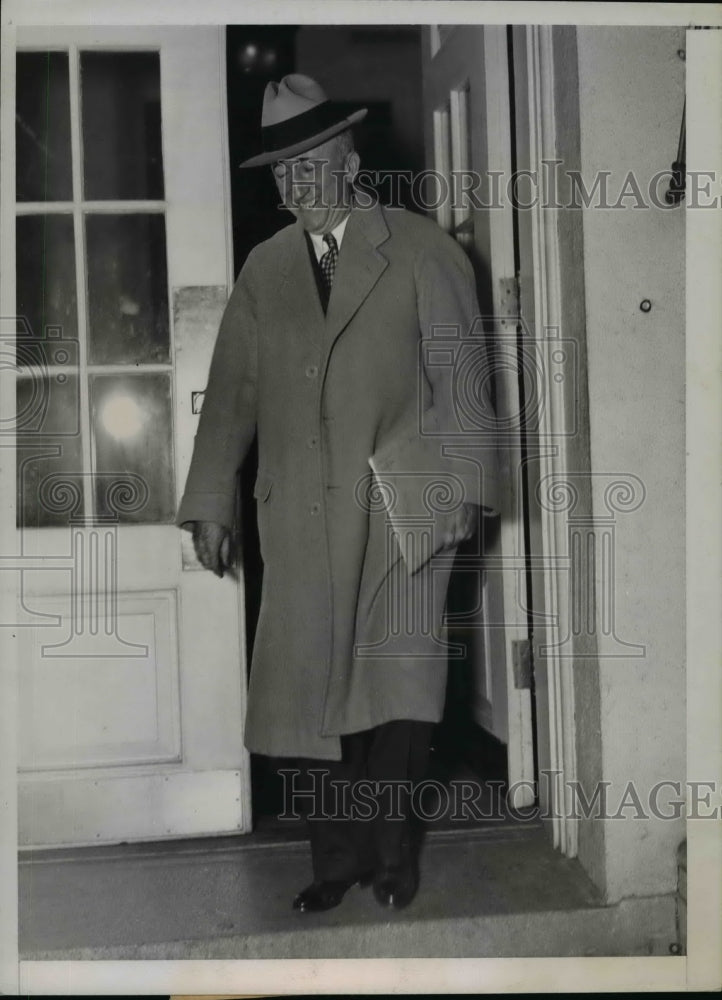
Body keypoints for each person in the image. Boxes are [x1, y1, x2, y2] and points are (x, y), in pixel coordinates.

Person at [176, 74, 500, 913]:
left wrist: (465, 488)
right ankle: (334, 861)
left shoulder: (422, 250)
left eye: (311, 163)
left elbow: (463, 383)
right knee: (306, 694)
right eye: (283, 171)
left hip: (403, 507)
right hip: (300, 515)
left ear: (351, 164)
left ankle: (393, 859)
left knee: (399, 692)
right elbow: (233, 395)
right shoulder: (265, 269)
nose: (297, 183)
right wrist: (210, 502)